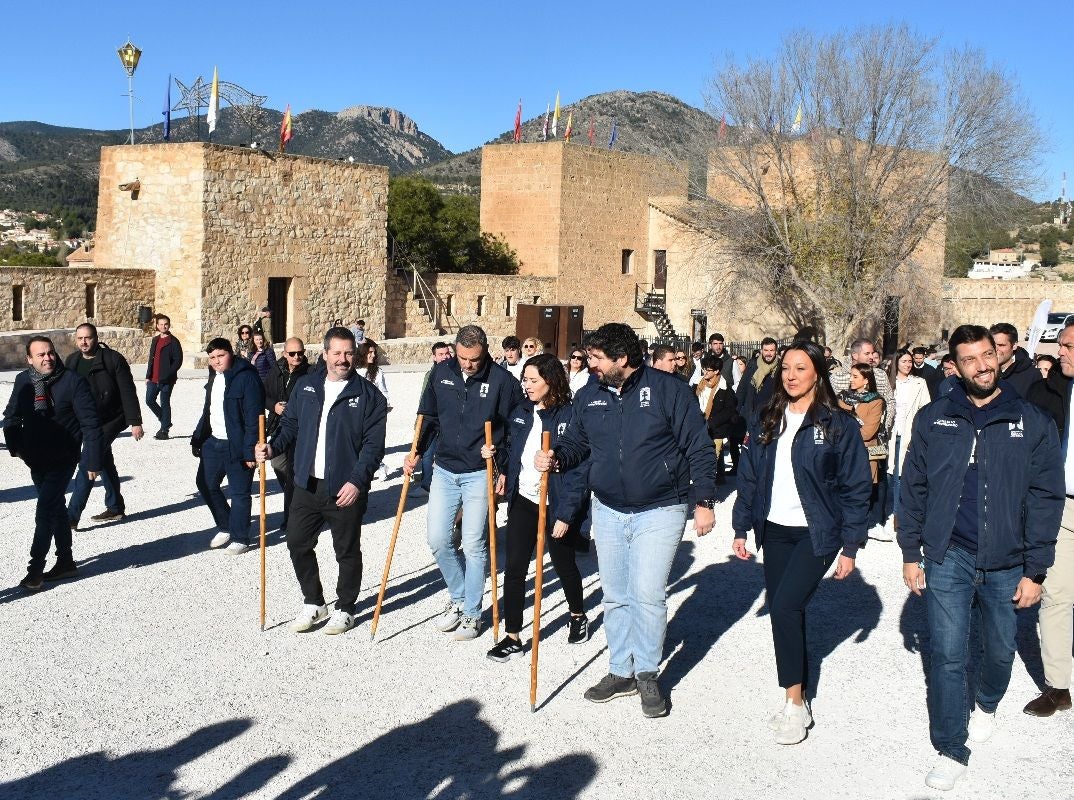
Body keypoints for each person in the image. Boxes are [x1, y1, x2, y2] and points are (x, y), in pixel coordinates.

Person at [899, 324, 1062, 791]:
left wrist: (1036, 569)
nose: (982, 365)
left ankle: (987, 702)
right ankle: (952, 746)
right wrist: (912, 552)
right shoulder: (934, 418)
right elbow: (913, 488)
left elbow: (1047, 498)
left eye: (987, 355)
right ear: (955, 365)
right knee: (948, 654)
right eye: (970, 359)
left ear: (999, 355)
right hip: (949, 553)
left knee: (999, 649)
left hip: (1008, 560)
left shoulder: (1031, 420)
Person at [535, 323, 716, 718]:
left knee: (647, 593)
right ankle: (621, 670)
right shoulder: (590, 395)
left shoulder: (669, 391)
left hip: (661, 507)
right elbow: (577, 444)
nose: (591, 365)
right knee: (616, 593)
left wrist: (704, 500)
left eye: (599, 359)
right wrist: (557, 457)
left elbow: (699, 447)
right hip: (609, 508)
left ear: (623, 359)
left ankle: (648, 674)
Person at [732, 340, 870, 744]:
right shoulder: (765, 419)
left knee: (787, 605)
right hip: (774, 530)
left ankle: (795, 704)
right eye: (786, 369)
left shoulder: (837, 425)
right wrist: (741, 528)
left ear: (818, 374)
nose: (791, 375)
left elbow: (856, 488)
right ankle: (797, 693)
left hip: (817, 532)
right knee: (782, 611)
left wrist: (850, 546)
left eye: (801, 368)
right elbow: (750, 478)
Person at [257, 326, 387, 635]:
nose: (343, 359)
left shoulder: (369, 396)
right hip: (306, 483)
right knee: (297, 542)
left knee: (346, 550)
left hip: (345, 488)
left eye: (348, 353)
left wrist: (357, 482)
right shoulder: (306, 386)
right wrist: (273, 446)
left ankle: (346, 607)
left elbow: (373, 446)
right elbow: (290, 425)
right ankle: (314, 602)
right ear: (325, 354)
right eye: (337, 353)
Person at [403, 325, 523, 640]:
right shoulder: (442, 373)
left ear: (484, 352)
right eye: (463, 358)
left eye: (474, 359)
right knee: (439, 540)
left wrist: (504, 465)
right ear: (455, 350)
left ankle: (472, 612)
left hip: (479, 471)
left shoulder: (503, 382)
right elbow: (426, 418)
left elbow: (515, 428)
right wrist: (415, 452)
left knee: (474, 544)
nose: (468, 364)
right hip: (444, 467)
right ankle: (457, 596)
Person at [482, 354, 590, 661]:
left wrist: (567, 515)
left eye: (533, 381)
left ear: (551, 381)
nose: (526, 386)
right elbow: (509, 451)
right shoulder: (521, 412)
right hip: (525, 501)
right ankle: (513, 635)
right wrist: (496, 461)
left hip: (555, 504)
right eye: (524, 380)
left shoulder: (570, 416)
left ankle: (578, 614)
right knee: (515, 567)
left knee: (563, 564)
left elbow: (580, 470)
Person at [4, 336, 102, 589]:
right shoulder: (24, 380)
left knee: (45, 511)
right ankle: (66, 562)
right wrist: (16, 448)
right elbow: (11, 416)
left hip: (63, 459)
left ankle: (35, 571)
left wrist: (92, 461)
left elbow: (91, 425)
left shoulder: (73, 382)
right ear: (29, 359)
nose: (47, 358)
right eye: (41, 355)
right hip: (35, 459)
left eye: (50, 353)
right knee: (56, 508)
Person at [1024, 320, 1074, 717]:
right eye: (1062, 344)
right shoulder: (1049, 389)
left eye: (1069, 346)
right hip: (1064, 505)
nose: (1062, 352)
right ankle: (1058, 687)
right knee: (1056, 597)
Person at [65, 323, 143, 528]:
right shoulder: (72, 361)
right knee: (104, 460)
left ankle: (71, 517)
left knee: (89, 461)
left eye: (88, 338)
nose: (84, 342)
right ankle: (115, 507)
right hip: (86, 421)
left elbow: (127, 390)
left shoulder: (112, 359)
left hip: (110, 419)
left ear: (96, 338)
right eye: (80, 338)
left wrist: (135, 421)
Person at [191, 338, 264, 554]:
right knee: (205, 483)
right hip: (213, 442)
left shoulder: (247, 377)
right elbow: (208, 410)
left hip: (238, 444)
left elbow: (254, 416)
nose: (216, 361)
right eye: (212, 357)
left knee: (239, 492)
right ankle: (226, 525)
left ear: (231, 354)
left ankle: (241, 537)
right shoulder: (215, 375)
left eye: (220, 356)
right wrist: (198, 437)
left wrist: (251, 448)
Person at [263, 337, 311, 533]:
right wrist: (273, 405)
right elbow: (263, 394)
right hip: (278, 427)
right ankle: (299, 498)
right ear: (285, 354)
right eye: (292, 353)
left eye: (300, 353)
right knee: (277, 463)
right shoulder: (276, 371)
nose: (297, 357)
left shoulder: (310, 373)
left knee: (292, 474)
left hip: (299, 430)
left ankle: (291, 518)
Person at [885, 349, 930, 540]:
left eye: (910, 361)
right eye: (904, 361)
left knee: (902, 477)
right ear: (897, 363)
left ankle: (898, 517)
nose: (908, 364)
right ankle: (888, 513)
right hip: (889, 434)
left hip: (908, 435)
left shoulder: (919, 383)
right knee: (889, 476)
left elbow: (925, 408)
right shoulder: (887, 382)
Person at [836, 362, 885, 510]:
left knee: (861, 498)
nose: (850, 379)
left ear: (866, 380)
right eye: (851, 375)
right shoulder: (843, 398)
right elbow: (836, 425)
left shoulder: (876, 401)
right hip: (843, 453)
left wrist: (845, 434)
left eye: (855, 376)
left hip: (865, 454)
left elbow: (868, 432)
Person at [414, 342, 454, 496]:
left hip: (447, 422)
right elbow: (424, 401)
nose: (445, 357)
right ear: (434, 357)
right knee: (427, 452)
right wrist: (419, 422)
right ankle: (426, 485)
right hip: (432, 421)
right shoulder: (430, 375)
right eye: (441, 354)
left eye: (447, 353)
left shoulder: (456, 373)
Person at [696, 354, 737, 484]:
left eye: (708, 370)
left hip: (716, 429)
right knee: (706, 458)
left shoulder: (725, 389)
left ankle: (708, 490)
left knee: (711, 459)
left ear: (716, 371)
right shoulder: (697, 385)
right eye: (704, 369)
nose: (704, 372)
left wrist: (712, 422)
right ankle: (719, 479)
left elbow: (729, 410)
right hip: (699, 427)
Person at [357, 339, 391, 481]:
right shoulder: (355, 371)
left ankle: (380, 465)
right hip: (358, 411)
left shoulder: (377, 372)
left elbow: (383, 392)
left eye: (373, 352)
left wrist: (385, 407)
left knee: (373, 442)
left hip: (374, 412)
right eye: (369, 352)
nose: (372, 355)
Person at [145, 314, 182, 440]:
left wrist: (168, 374)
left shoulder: (174, 342)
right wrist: (148, 375)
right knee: (149, 400)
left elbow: (178, 360)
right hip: (153, 378)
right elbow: (151, 358)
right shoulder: (155, 340)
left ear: (169, 325)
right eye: (161, 324)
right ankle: (165, 420)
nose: (163, 326)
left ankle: (164, 430)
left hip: (167, 379)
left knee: (165, 403)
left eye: (165, 324)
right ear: (157, 326)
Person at [990, 322, 1038, 398]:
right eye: (992, 345)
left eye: (1001, 345)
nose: (995, 350)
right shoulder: (984, 370)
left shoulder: (1032, 375)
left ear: (1014, 345)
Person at [737, 337, 779, 418]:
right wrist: (736, 411)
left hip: (771, 414)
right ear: (761, 351)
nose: (768, 353)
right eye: (766, 350)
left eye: (771, 350)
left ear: (776, 352)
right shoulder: (753, 364)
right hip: (752, 413)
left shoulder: (780, 367)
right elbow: (742, 388)